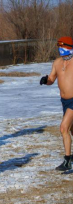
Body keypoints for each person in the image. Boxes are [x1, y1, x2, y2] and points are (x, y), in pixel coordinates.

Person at [40, 36, 73, 171]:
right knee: (71, 130)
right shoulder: (57, 62)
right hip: (64, 101)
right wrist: (45, 80)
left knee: (63, 128)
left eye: (63, 46)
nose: (61, 49)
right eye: (59, 47)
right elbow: (52, 78)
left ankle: (67, 161)